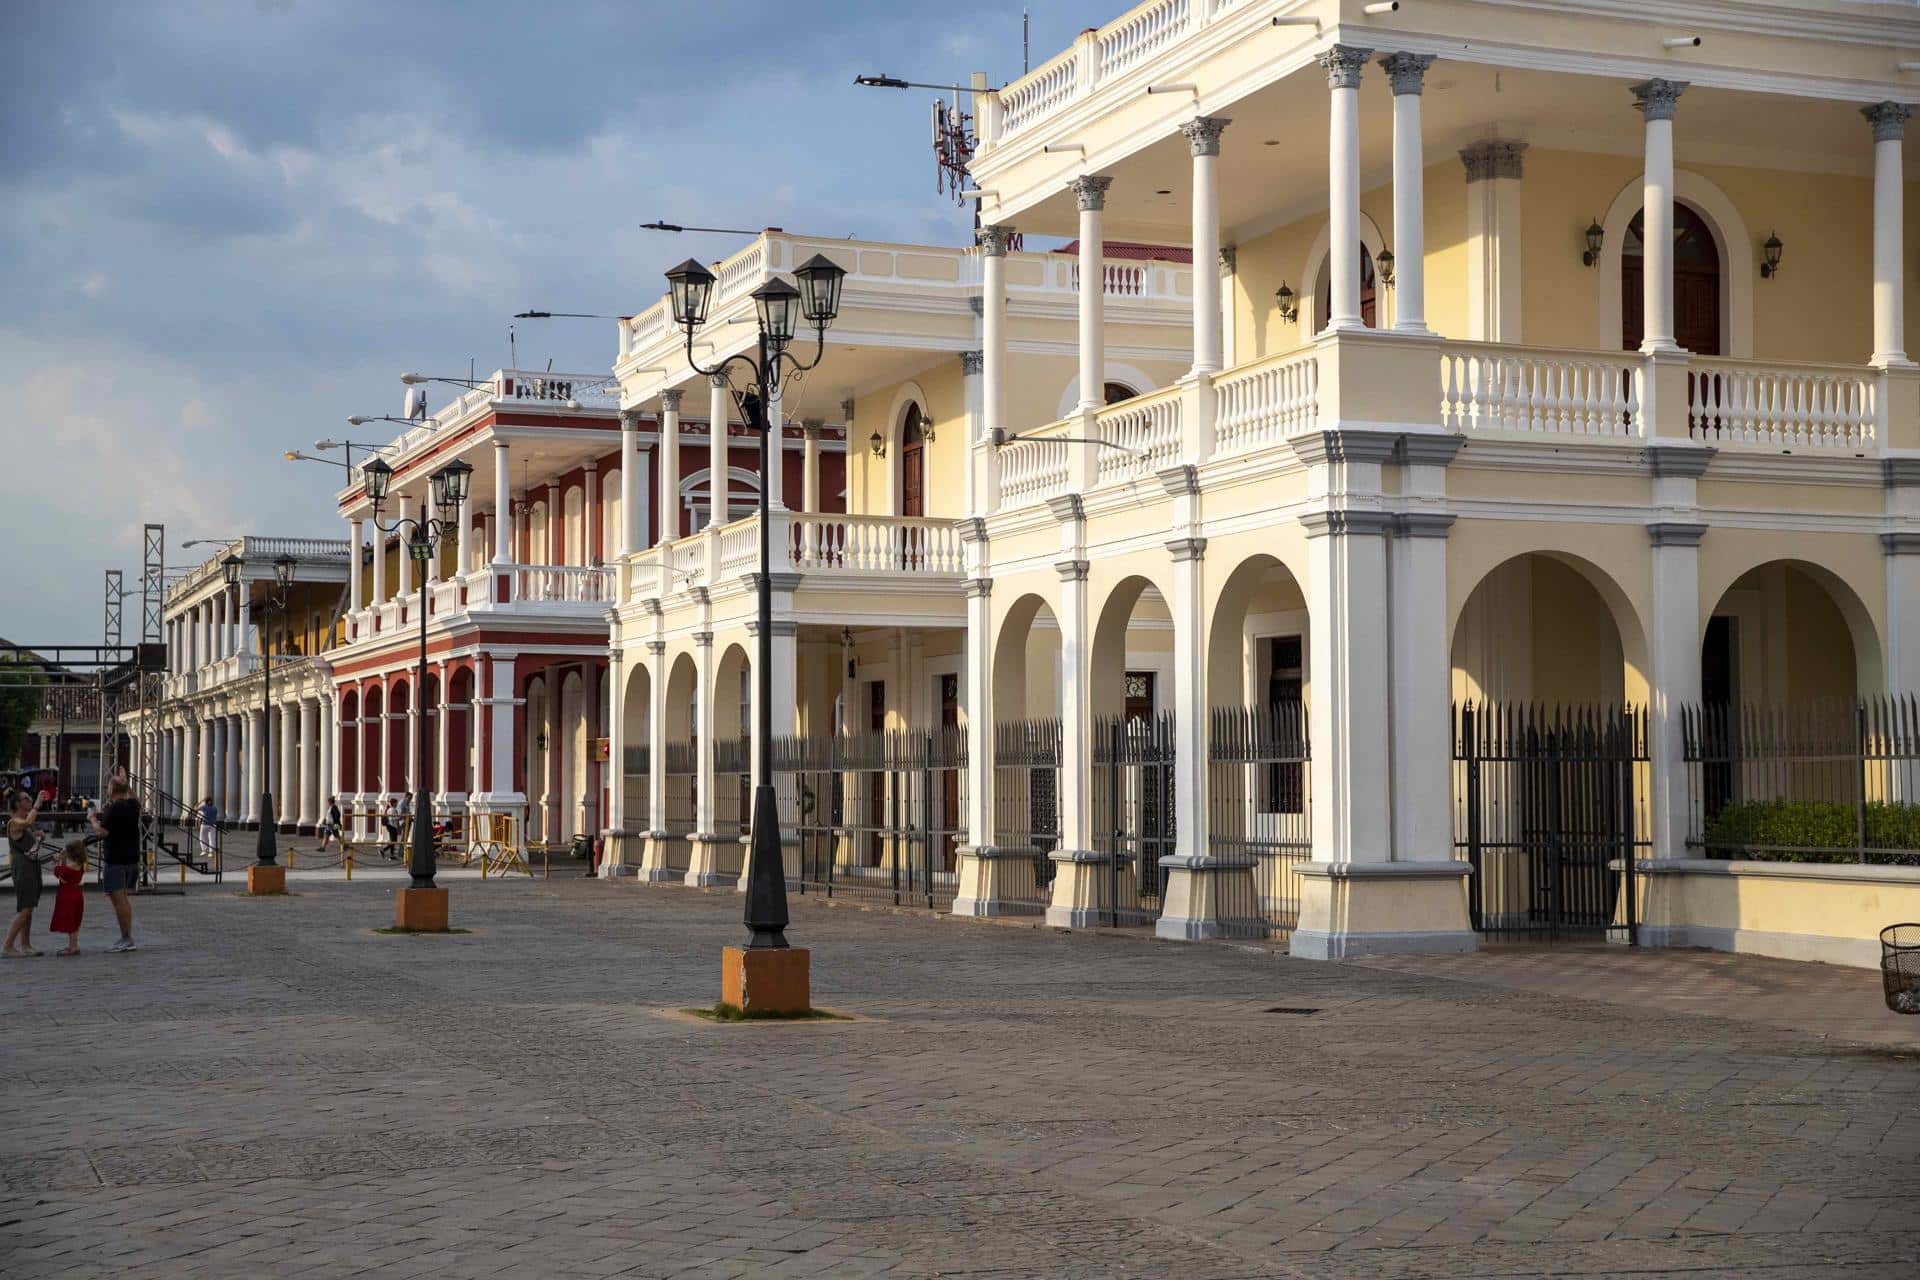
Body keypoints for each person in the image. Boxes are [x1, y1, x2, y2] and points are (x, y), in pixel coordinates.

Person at [91, 779, 140, 953]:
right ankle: (126, 937)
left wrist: (92, 819)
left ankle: (127, 938)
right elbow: (135, 797)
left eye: (109, 786)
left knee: (119, 902)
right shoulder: (133, 806)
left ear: (112, 789)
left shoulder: (113, 808)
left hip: (115, 861)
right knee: (124, 900)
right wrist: (127, 783)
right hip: (131, 860)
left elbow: (102, 832)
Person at [4, 790, 48, 957]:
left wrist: (39, 839)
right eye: (25, 798)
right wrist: (37, 804)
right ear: (17, 804)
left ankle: (25, 944)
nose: (29, 799)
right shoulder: (15, 822)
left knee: (28, 908)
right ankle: (8, 946)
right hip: (23, 870)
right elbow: (29, 821)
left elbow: (32, 850)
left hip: (31, 867)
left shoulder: (23, 823)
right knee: (24, 909)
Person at [49, 840, 86, 956]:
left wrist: (58, 860)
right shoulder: (79, 864)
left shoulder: (69, 866)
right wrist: (63, 858)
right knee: (75, 921)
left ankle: (73, 947)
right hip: (77, 893)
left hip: (67, 895)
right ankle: (73, 945)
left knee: (70, 922)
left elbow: (57, 872)